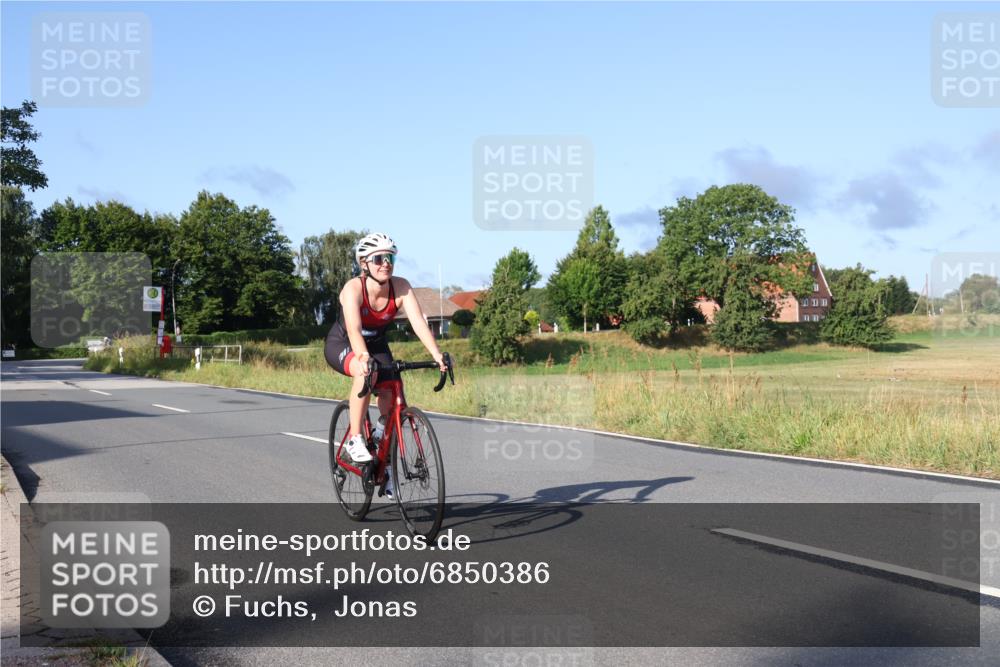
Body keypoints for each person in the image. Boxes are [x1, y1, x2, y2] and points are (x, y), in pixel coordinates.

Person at [324, 233, 447, 475]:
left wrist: (437, 354)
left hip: (377, 344)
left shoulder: (400, 287)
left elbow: (418, 323)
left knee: (392, 389)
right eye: (378, 258)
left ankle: (385, 459)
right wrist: (363, 357)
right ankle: (355, 439)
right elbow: (354, 330)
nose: (386, 263)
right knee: (365, 372)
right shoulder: (353, 288)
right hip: (344, 342)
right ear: (364, 263)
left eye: (390, 257)